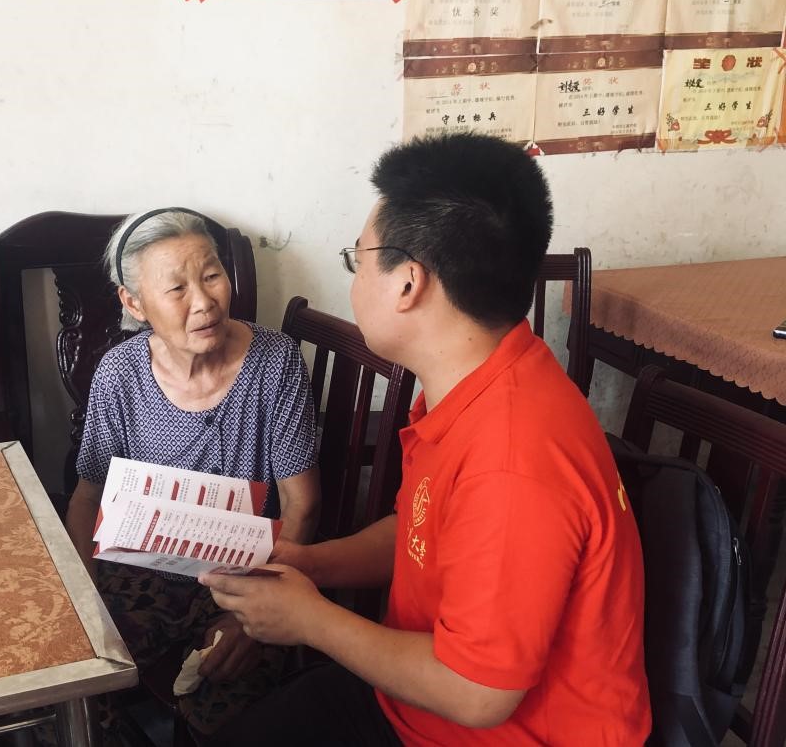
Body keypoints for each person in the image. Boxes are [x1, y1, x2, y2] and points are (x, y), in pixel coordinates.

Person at [200, 134, 651, 746]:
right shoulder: (480, 381)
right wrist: (309, 563)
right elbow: (421, 532)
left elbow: (477, 694)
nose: (355, 280)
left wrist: (311, 621)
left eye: (357, 261)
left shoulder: (512, 460)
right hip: (413, 700)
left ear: (408, 284)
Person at [65, 208, 320, 739]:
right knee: (75, 691)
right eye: (177, 288)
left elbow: (302, 503)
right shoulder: (120, 374)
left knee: (229, 714)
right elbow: (88, 497)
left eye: (211, 275)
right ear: (134, 304)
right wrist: (84, 611)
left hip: (245, 576)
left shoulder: (275, 363)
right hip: (140, 576)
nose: (204, 301)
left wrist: (256, 614)